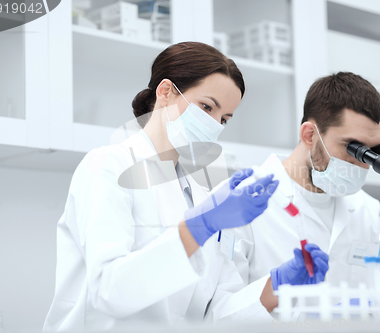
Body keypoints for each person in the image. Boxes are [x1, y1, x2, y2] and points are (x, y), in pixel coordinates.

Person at [43, 42, 328, 332]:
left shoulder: (204, 192)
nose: (215, 125)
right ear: (165, 92)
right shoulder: (107, 166)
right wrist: (201, 225)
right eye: (207, 107)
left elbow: (211, 315)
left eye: (224, 119)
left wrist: (276, 286)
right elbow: (109, 291)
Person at [230, 72, 380, 294]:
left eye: (372, 152)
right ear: (309, 135)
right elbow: (219, 313)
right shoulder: (243, 200)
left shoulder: (366, 211)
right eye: (352, 147)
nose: (361, 163)